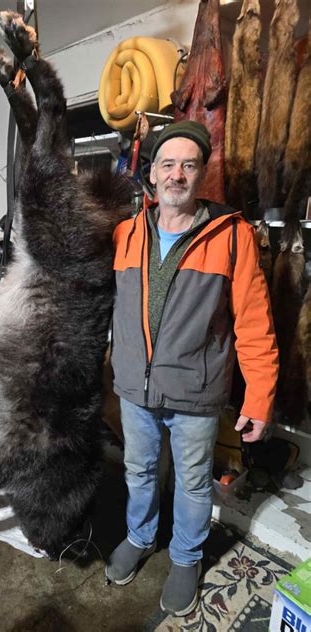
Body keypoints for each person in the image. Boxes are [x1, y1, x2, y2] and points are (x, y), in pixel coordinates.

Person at [105, 121, 279, 617]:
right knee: (138, 470)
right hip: (135, 389)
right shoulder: (124, 233)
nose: (176, 175)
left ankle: (185, 556)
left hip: (196, 392)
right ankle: (139, 536)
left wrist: (259, 399)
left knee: (194, 480)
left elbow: (254, 323)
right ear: (152, 174)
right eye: (167, 164)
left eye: (188, 165)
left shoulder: (233, 236)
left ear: (202, 174)